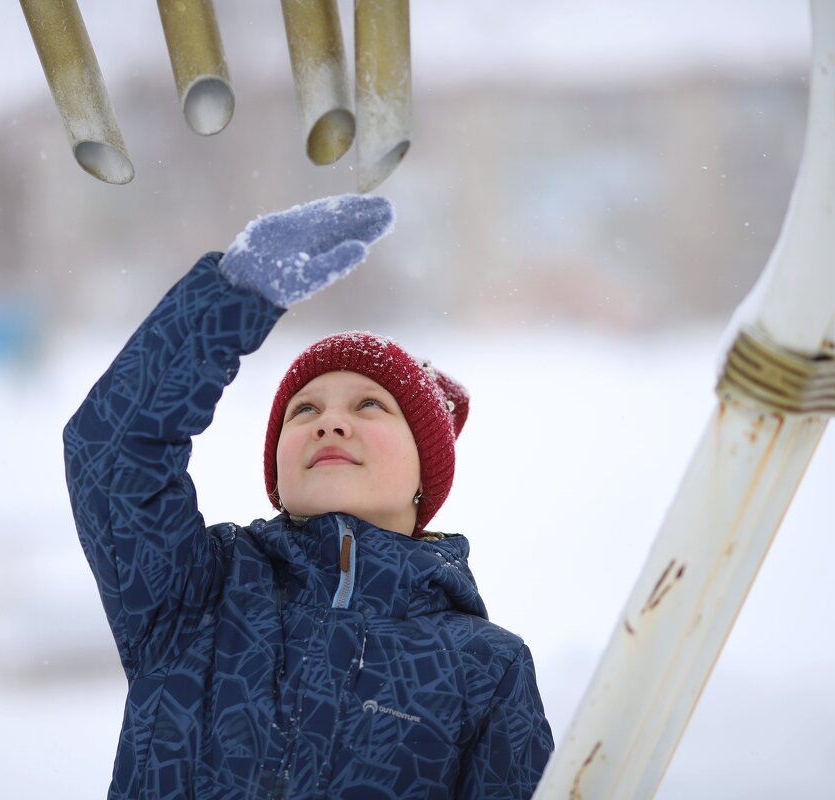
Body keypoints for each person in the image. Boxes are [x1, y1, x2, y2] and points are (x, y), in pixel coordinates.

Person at [64, 195, 553, 799]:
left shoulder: (484, 668)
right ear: (276, 471)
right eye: (305, 410)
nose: (329, 423)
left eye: (369, 405)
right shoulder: (197, 591)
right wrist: (231, 297)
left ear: (427, 472)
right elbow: (111, 449)